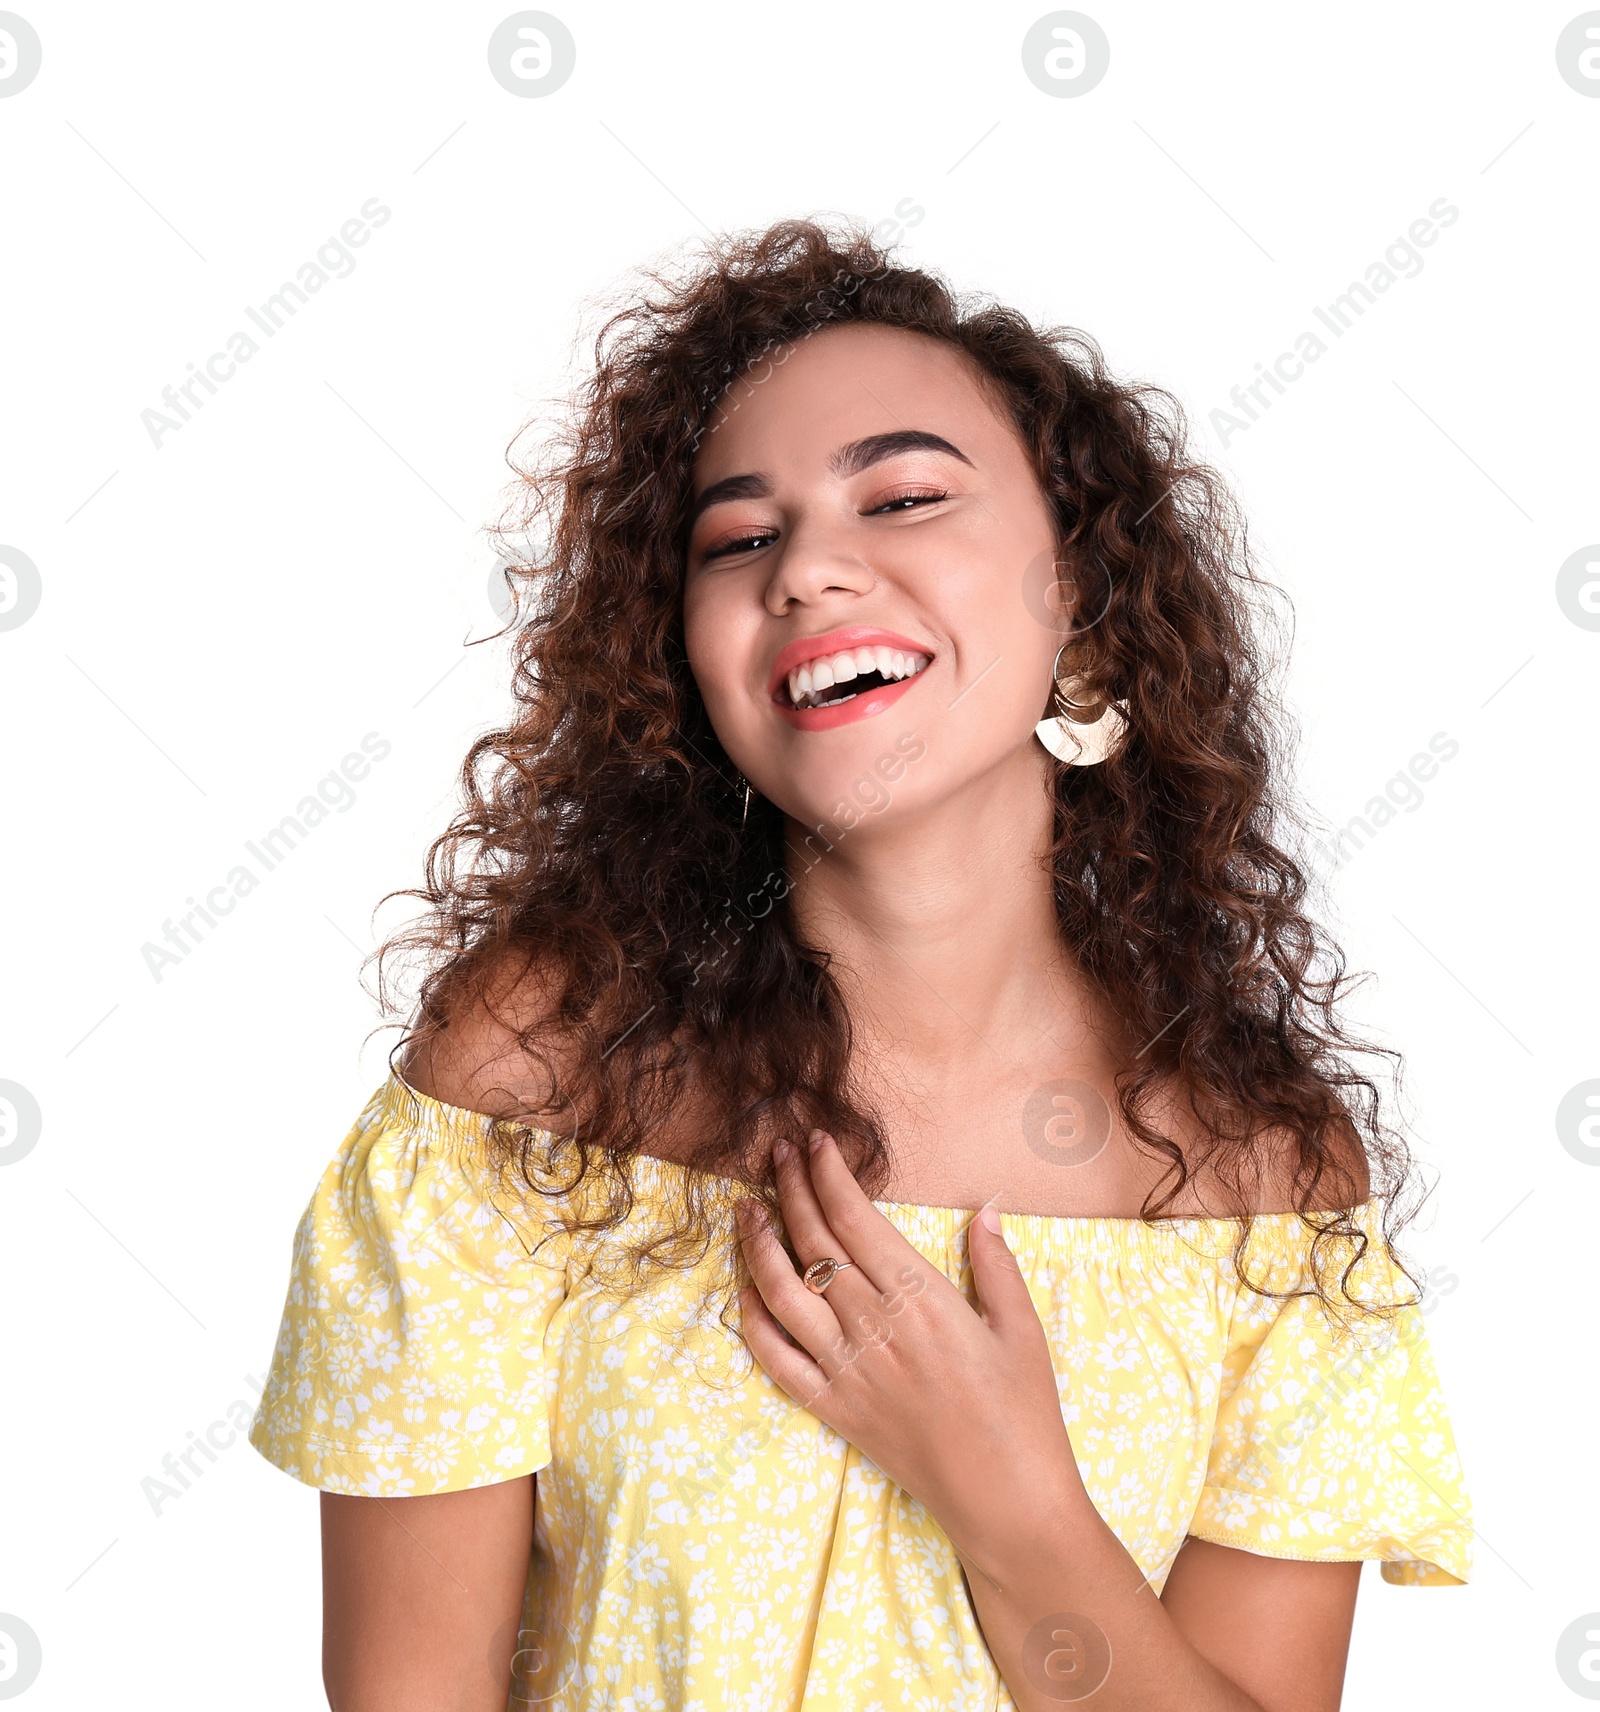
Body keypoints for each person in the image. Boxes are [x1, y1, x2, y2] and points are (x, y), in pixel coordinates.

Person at [249, 217, 1471, 1711]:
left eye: (902, 496)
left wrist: (1009, 1501)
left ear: (1080, 606)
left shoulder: (1265, 1188)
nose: (813, 567)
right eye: (740, 536)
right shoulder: (534, 1080)